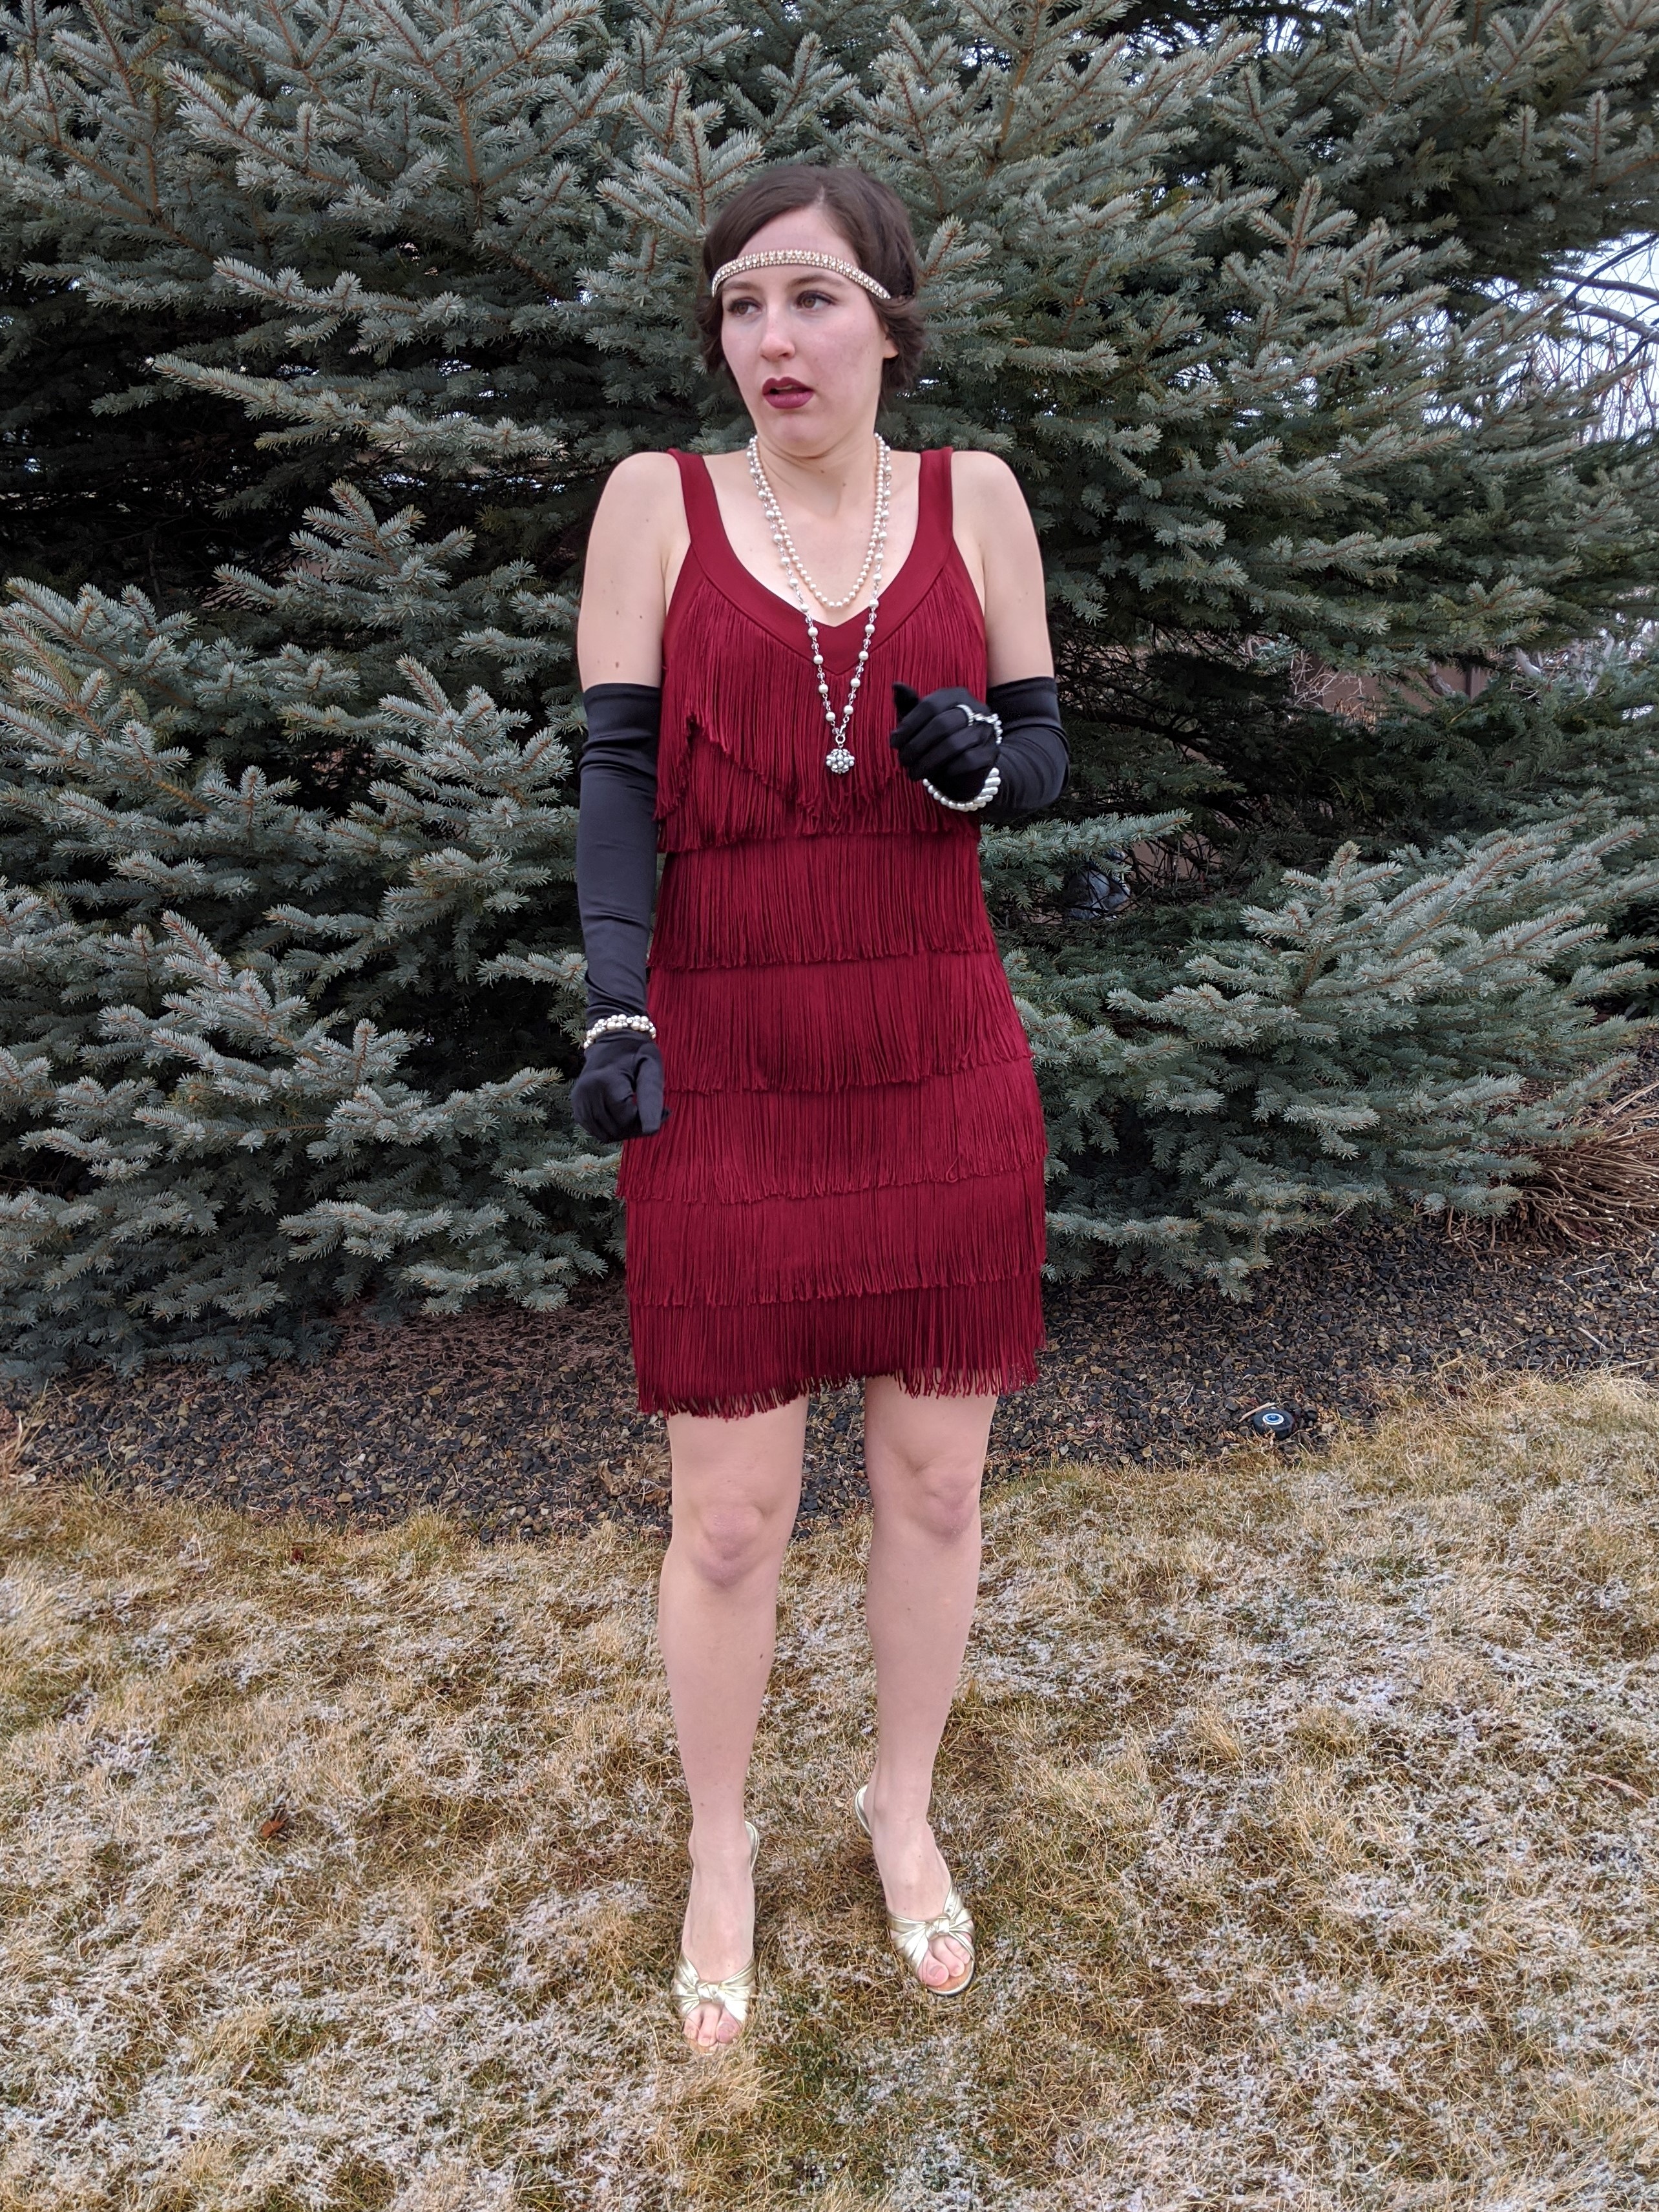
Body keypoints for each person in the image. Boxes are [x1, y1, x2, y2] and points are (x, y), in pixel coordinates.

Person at [572, 162, 1067, 2050]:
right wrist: (616, 999)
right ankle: (720, 1841)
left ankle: (899, 1806)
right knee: (731, 1515)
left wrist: (972, 772)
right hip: (726, 1041)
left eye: (810, 299)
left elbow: (1035, 766)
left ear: (890, 321)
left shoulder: (978, 501)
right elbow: (616, 776)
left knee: (936, 1483)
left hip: (937, 1039)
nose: (770, 339)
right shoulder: (656, 506)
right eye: (741, 306)